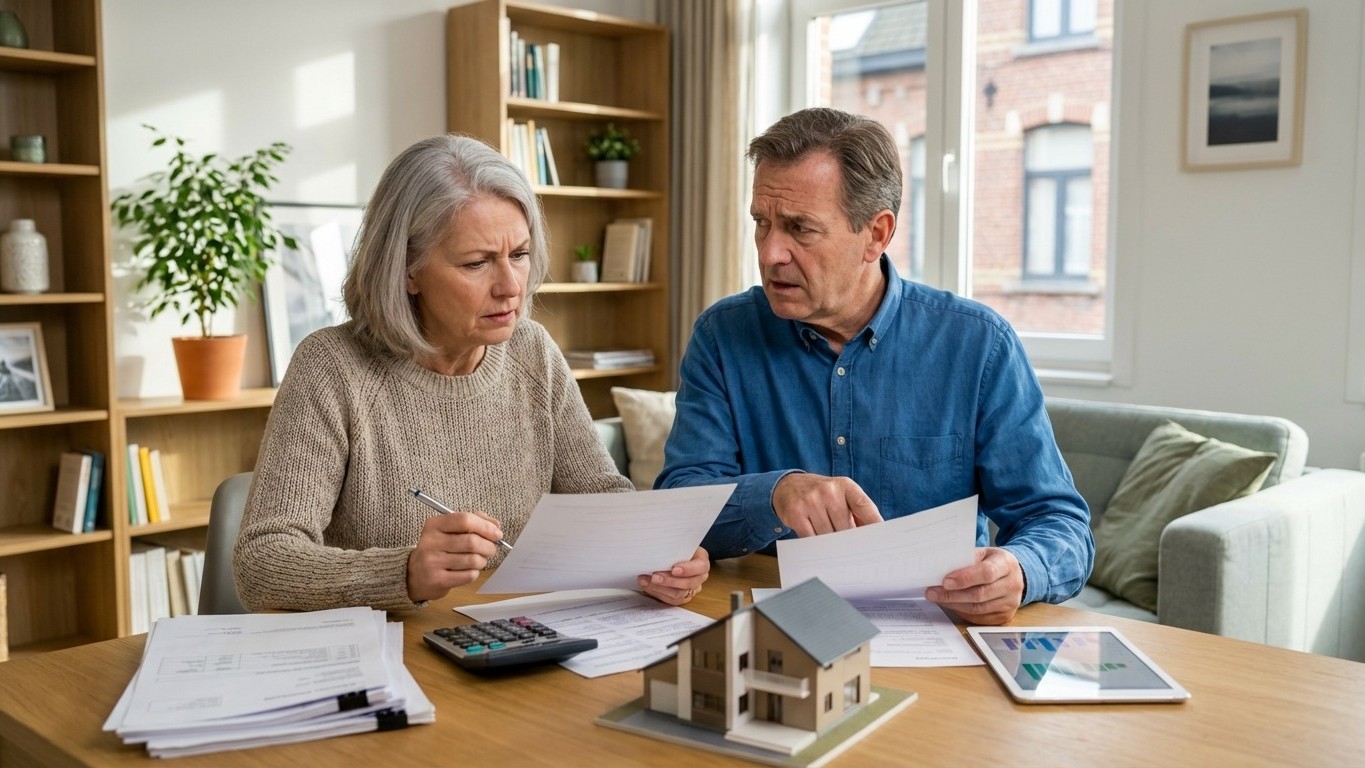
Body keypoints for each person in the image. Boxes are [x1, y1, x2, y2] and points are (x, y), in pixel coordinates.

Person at [235, 134, 708, 612]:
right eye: (477, 263)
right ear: (406, 271)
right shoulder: (333, 367)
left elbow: (602, 501)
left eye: (519, 255)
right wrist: (404, 572)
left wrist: (660, 556)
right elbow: (261, 562)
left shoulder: (532, 352)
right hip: (392, 656)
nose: (510, 287)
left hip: (514, 641)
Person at [654, 108, 1092, 625]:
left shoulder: (977, 345)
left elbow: (1057, 520)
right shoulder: (722, 336)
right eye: (761, 223)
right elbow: (679, 509)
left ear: (876, 235)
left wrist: (1020, 569)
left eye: (800, 228)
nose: (771, 252)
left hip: (935, 631)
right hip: (776, 629)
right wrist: (774, 494)